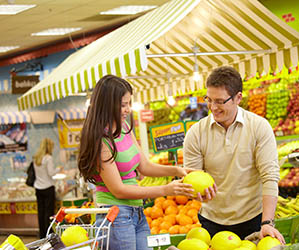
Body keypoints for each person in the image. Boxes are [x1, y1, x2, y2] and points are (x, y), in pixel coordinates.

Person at [78, 75, 194, 250]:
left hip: (136, 212)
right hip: (116, 215)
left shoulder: (124, 127)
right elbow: (119, 189)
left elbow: (145, 166)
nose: (128, 109)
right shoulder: (100, 140)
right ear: (107, 105)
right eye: (123, 105)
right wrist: (165, 190)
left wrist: (177, 171)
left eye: (129, 103)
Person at [183, 66, 285, 243]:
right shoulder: (196, 133)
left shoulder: (259, 127)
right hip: (211, 221)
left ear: (238, 98)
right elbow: (193, 178)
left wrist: (267, 222)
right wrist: (194, 193)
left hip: (253, 218)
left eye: (220, 101)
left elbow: (270, 176)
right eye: (209, 100)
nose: (213, 107)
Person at [33, 138, 57, 239]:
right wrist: (59, 169)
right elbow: (51, 173)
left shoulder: (36, 158)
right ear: (49, 147)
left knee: (41, 212)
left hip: (38, 188)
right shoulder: (48, 158)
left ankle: (42, 235)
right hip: (48, 188)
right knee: (49, 213)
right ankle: (49, 234)